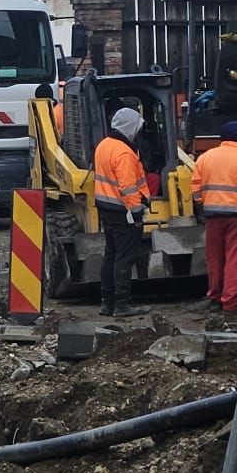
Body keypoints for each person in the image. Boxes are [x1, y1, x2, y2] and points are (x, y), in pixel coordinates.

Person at [192, 121, 237, 312]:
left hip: (213, 216)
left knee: (215, 258)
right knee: (235, 259)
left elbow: (195, 188)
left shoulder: (205, 158)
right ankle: (229, 303)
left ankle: (214, 297)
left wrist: (203, 202)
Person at [92, 105, 150, 318]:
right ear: (130, 128)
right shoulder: (124, 153)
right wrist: (136, 214)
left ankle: (107, 303)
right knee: (124, 258)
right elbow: (128, 188)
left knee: (111, 255)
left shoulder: (103, 146)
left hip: (107, 209)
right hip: (123, 211)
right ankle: (122, 304)